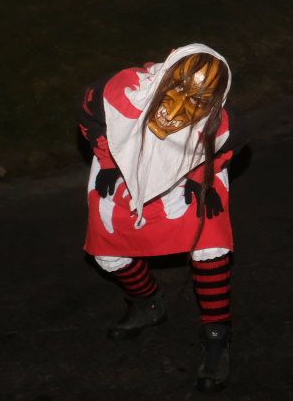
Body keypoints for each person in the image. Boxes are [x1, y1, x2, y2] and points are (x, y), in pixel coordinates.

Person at [78, 44, 244, 393]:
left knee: (209, 247)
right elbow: (90, 115)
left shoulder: (221, 123)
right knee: (109, 249)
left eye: (198, 100)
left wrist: (200, 179)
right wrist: (107, 160)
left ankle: (217, 334)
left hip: (192, 167)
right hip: (122, 162)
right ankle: (148, 301)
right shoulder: (121, 93)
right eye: (178, 88)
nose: (179, 109)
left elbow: (226, 148)